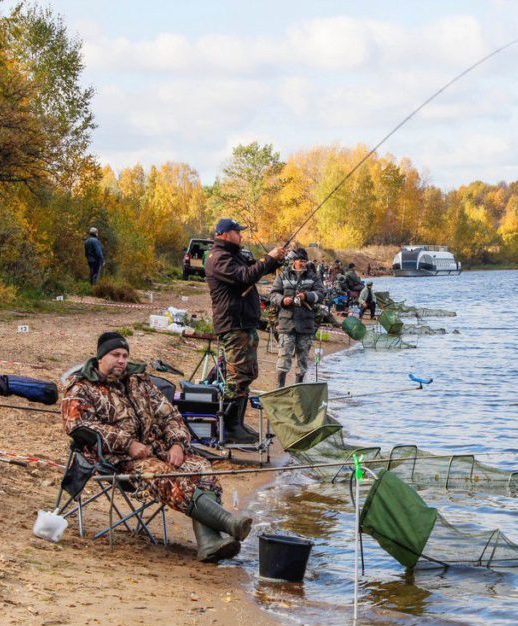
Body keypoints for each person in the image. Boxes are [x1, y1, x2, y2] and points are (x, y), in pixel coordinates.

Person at [61, 332, 251, 562]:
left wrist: (177, 445)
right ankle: (228, 523)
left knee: (202, 469)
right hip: (116, 459)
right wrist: (129, 444)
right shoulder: (81, 387)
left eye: (125, 355)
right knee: (164, 475)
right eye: (115, 355)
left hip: (157, 449)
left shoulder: (139, 380)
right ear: (100, 357)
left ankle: (209, 543)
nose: (122, 360)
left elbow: (170, 415)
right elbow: (79, 426)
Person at [204, 218, 286, 443]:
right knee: (236, 376)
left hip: (244, 324)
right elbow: (245, 277)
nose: (241, 235)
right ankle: (230, 428)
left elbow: (253, 271)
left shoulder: (233, 254)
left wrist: (273, 260)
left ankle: (237, 424)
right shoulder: (218, 258)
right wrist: (268, 257)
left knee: (248, 373)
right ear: (224, 233)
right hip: (233, 325)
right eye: (237, 232)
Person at [269, 248, 323, 387]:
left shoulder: (313, 277)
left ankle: (298, 387)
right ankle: (280, 387)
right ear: (294, 261)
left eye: (305, 261)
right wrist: (282, 300)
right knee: (284, 357)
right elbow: (273, 294)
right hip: (286, 323)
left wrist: (307, 296)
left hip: (306, 325)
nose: (303, 263)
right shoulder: (283, 276)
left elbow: (321, 295)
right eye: (300, 260)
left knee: (303, 358)